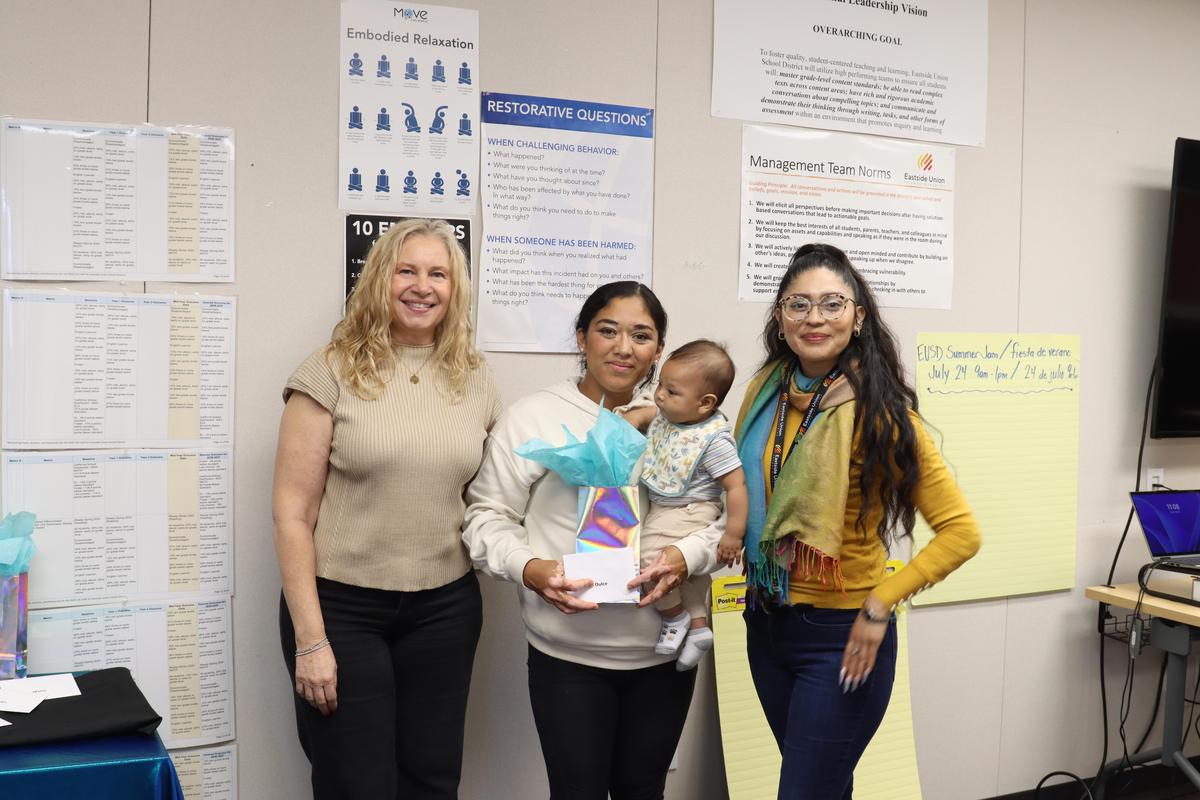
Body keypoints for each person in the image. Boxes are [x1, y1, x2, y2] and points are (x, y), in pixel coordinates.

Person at [736, 243, 981, 799]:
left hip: (840, 636)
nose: (814, 318)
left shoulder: (883, 414)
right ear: (780, 318)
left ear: (858, 316)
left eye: (832, 304)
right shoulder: (765, 393)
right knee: (824, 787)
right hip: (765, 621)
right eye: (798, 304)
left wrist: (880, 603)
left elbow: (962, 532)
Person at [462, 282, 725, 800]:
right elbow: (486, 516)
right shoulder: (533, 416)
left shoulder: (691, 423)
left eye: (641, 335)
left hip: (664, 656)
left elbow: (726, 520)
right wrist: (530, 569)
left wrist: (686, 556)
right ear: (582, 338)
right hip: (567, 657)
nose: (624, 348)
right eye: (608, 331)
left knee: (644, 791)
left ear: (659, 349)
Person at [272, 218, 500, 799]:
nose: (422, 286)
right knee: (356, 783)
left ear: (455, 289)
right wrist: (311, 640)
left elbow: (494, 497)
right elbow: (292, 515)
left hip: (445, 609)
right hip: (342, 610)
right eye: (407, 271)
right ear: (379, 279)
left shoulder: (474, 378)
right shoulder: (329, 371)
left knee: (432, 779)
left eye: (438, 274)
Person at [623, 339, 747, 671]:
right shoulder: (671, 417)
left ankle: (674, 616)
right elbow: (650, 413)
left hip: (690, 510)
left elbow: (736, 486)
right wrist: (633, 417)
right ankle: (699, 628)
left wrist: (733, 534)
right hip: (671, 509)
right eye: (660, 385)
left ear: (705, 403)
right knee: (685, 575)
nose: (660, 395)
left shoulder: (713, 440)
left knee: (651, 563)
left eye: (671, 391)